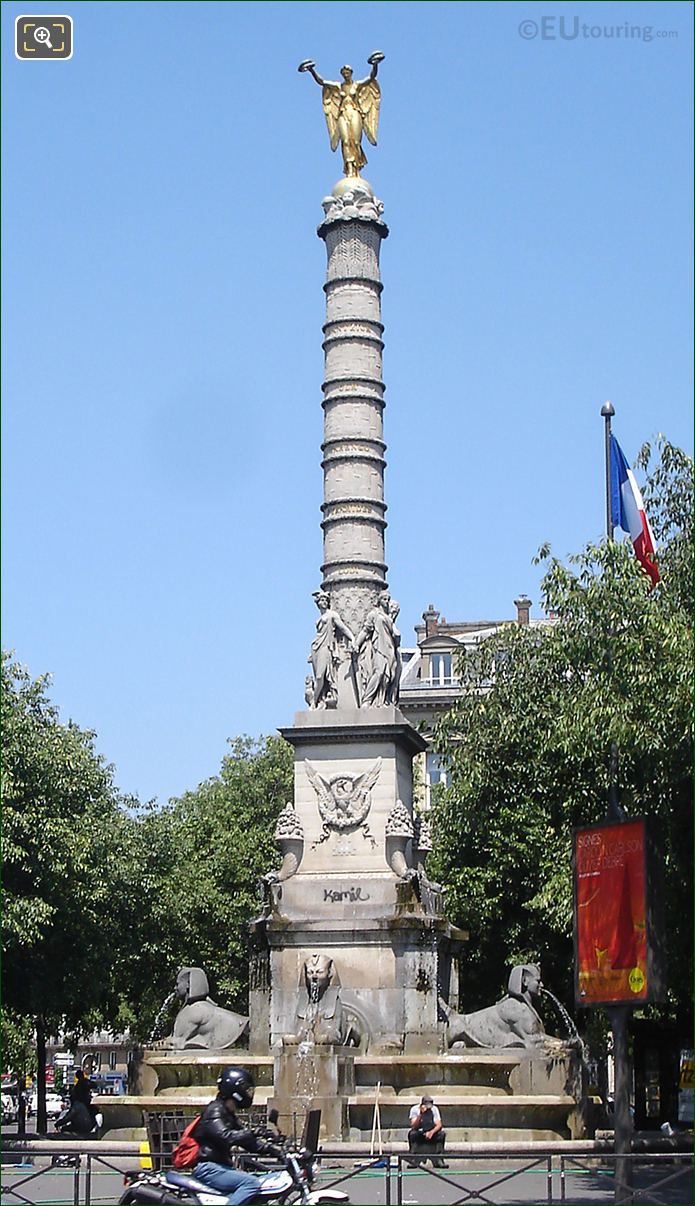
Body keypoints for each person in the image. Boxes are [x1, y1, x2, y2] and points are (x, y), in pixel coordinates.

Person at [191, 1066, 271, 1205]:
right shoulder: (215, 1110)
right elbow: (227, 1136)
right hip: (208, 1168)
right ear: (236, 1090)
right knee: (251, 1183)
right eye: (247, 1090)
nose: (249, 1094)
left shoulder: (228, 1114)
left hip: (219, 1167)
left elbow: (248, 1142)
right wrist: (252, 1132)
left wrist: (274, 1149)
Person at [407, 1095, 448, 1167]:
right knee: (412, 1134)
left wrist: (431, 1132)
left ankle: (439, 1159)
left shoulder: (434, 1109)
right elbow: (414, 1126)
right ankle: (413, 1159)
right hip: (420, 1132)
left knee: (441, 1134)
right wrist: (421, 1114)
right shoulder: (414, 1109)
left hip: (431, 1132)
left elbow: (439, 1125)